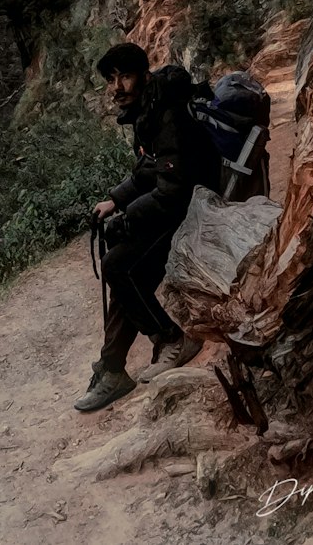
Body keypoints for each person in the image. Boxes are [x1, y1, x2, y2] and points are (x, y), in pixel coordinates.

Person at [74, 42, 216, 412]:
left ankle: (171, 339)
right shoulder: (149, 110)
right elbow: (148, 171)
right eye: (111, 79)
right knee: (120, 265)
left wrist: (128, 219)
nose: (116, 86)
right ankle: (112, 367)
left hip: (196, 210)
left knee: (119, 266)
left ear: (144, 74)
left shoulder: (167, 116)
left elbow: (173, 190)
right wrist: (116, 200)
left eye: (124, 76)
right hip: (181, 203)